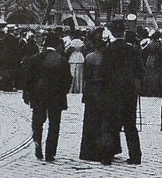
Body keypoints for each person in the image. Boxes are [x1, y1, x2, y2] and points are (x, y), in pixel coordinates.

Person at [22, 32, 72, 162]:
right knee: (54, 124)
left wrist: (27, 93)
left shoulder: (35, 58)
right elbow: (68, 80)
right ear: (57, 44)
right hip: (56, 96)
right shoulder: (62, 59)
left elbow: (29, 78)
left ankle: (37, 141)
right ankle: (50, 152)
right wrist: (63, 92)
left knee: (38, 120)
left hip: (38, 94)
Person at [98, 19, 142, 165]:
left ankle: (107, 156)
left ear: (111, 32)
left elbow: (103, 72)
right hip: (129, 91)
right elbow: (140, 72)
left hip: (112, 92)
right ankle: (135, 156)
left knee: (110, 124)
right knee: (130, 124)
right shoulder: (133, 50)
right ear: (124, 32)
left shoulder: (108, 50)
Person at [80, 28, 109, 162]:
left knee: (89, 122)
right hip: (103, 91)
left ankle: (87, 151)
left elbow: (86, 76)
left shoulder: (89, 57)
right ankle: (102, 150)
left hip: (91, 91)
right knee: (103, 122)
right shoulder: (107, 58)